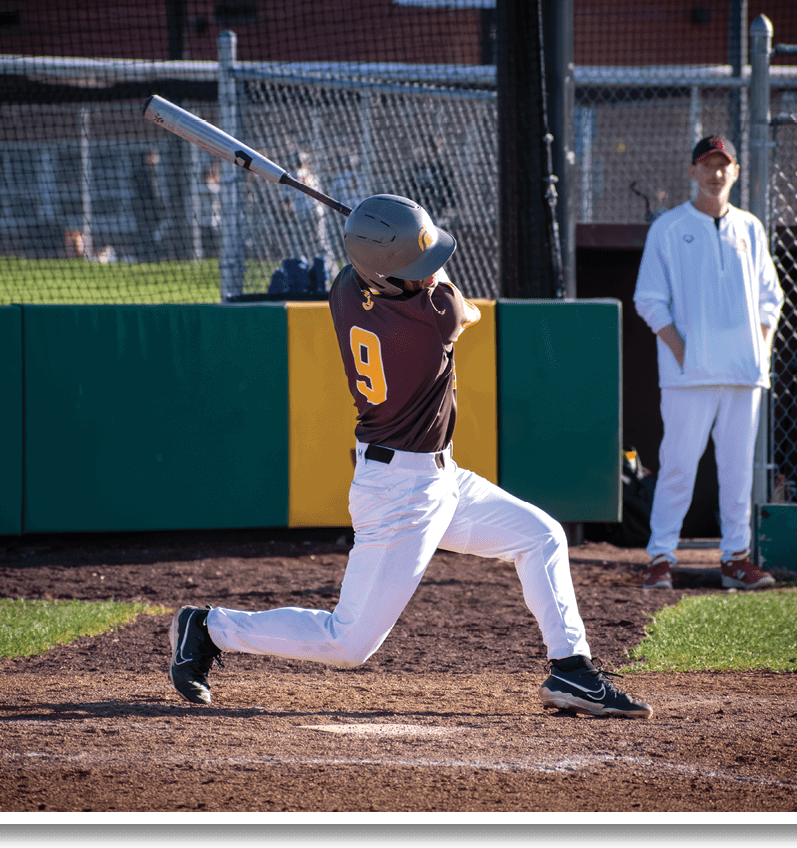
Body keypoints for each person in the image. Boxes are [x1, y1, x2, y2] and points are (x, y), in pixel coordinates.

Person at [170, 194, 653, 719]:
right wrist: (404, 241)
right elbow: (459, 303)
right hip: (400, 494)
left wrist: (391, 238)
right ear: (385, 272)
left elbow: (389, 268)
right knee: (348, 643)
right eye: (416, 267)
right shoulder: (434, 321)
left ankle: (572, 670)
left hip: (441, 479)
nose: (427, 274)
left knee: (540, 536)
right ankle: (208, 627)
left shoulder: (345, 289)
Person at [633, 136, 785, 591]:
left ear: (735, 172)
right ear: (692, 171)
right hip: (689, 377)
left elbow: (769, 299)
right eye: (708, 164)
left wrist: (757, 348)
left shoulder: (750, 228)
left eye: (724, 165)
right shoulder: (667, 227)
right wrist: (684, 352)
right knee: (678, 466)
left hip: (743, 374)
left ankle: (736, 559)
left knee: (739, 470)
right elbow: (649, 299)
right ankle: (661, 558)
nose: (716, 173)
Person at [131, 150, 166, 262]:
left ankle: (155, 259)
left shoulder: (156, 174)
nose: (155, 160)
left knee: (155, 237)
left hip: (156, 213)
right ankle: (146, 258)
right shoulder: (141, 174)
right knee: (147, 237)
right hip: (145, 212)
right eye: (152, 157)